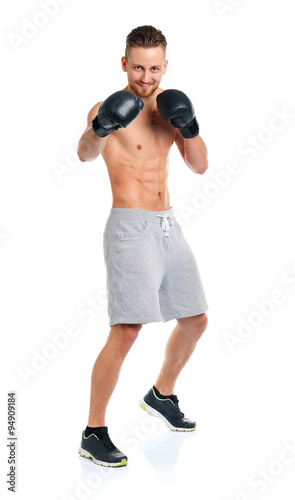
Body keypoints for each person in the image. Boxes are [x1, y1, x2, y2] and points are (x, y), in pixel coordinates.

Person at [77, 25, 209, 468]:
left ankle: (161, 394)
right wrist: (100, 125)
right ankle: (94, 432)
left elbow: (200, 165)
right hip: (130, 229)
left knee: (195, 320)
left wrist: (189, 126)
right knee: (128, 330)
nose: (146, 77)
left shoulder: (172, 109)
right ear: (124, 64)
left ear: (165, 66)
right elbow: (84, 153)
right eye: (138, 67)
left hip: (168, 225)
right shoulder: (109, 107)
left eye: (154, 68)